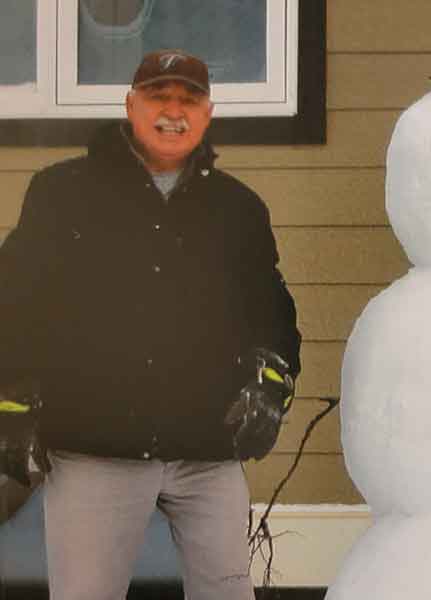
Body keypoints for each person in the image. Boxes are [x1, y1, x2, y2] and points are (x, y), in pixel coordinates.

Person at [0, 49, 301, 600]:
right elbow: (14, 299)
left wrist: (273, 383)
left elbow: (271, 311)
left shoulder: (238, 209)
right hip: (95, 449)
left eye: (189, 100)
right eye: (159, 97)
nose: (173, 112)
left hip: (207, 449)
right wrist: (10, 399)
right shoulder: (62, 194)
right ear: (130, 106)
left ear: (208, 114)